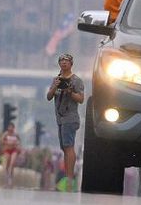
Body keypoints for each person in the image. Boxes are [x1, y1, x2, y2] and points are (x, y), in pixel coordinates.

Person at [46, 53, 84, 192]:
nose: (64, 63)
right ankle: (68, 177)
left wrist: (70, 92)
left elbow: (81, 99)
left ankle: (69, 179)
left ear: (71, 64)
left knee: (69, 147)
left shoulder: (76, 80)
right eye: (61, 60)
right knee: (64, 147)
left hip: (70, 118)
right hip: (60, 119)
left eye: (67, 61)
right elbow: (49, 97)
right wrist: (55, 86)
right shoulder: (56, 79)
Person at [1, 122, 21, 187]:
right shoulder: (6, 134)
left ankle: (10, 179)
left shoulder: (16, 134)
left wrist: (17, 145)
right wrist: (7, 142)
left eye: (12, 127)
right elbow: (1, 140)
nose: (10, 128)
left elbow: (19, 141)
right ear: (8, 128)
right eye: (9, 127)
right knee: (7, 164)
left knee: (12, 164)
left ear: (13, 128)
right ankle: (6, 178)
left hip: (14, 150)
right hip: (7, 150)